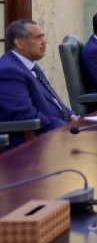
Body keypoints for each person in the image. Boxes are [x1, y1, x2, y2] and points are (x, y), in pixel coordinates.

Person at [0, 19, 77, 148]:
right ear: (19, 43)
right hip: (33, 145)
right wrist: (63, 127)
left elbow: (53, 99)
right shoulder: (9, 71)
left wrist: (71, 115)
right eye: (38, 37)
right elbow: (25, 116)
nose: (44, 41)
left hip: (55, 134)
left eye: (43, 36)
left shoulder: (30, 66)